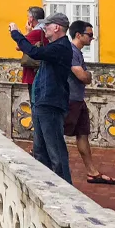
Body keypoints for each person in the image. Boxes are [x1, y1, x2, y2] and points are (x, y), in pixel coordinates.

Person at [10, 13, 74, 183]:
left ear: (56, 27)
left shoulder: (61, 47)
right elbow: (37, 51)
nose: (44, 28)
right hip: (42, 102)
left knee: (56, 152)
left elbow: (34, 52)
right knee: (40, 150)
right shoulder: (55, 46)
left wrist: (16, 34)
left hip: (51, 103)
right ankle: (46, 186)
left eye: (47, 26)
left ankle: (65, 190)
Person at [67, 21, 115, 185]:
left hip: (78, 99)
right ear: (78, 35)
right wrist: (87, 76)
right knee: (55, 133)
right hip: (70, 99)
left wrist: (86, 75)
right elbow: (83, 76)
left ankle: (92, 172)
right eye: (89, 34)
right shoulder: (72, 52)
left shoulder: (78, 53)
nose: (92, 37)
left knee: (83, 134)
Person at [21, 7, 47, 100]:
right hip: (43, 71)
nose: (27, 19)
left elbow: (20, 46)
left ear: (32, 18)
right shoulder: (45, 30)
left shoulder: (36, 32)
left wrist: (27, 32)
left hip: (34, 72)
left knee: (34, 101)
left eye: (28, 16)